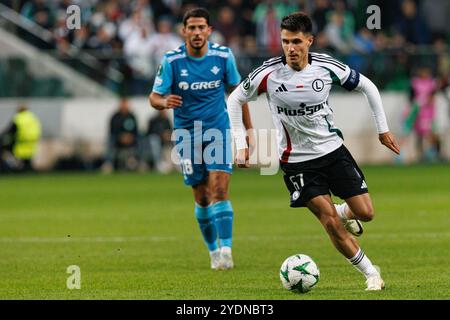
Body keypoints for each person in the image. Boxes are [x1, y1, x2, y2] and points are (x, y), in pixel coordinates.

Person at [227, 12, 400, 290]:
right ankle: (371, 274)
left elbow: (367, 85)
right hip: (297, 163)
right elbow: (235, 99)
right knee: (328, 221)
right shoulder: (269, 73)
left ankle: (344, 212)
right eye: (285, 42)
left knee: (366, 213)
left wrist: (383, 129)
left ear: (310, 41)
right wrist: (241, 144)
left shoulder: (325, 66)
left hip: (333, 152)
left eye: (296, 41)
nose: (290, 48)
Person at [149, 8, 253, 270]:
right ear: (184, 31)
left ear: (209, 30)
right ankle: (213, 251)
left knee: (219, 190)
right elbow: (153, 97)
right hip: (186, 134)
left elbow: (238, 95)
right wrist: (163, 102)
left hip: (218, 129)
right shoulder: (172, 61)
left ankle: (227, 250)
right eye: (191, 28)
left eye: (201, 28)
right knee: (202, 197)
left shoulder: (223, 56)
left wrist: (247, 133)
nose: (196, 33)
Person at [102, 97, 139, 173]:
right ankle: (108, 164)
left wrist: (130, 137)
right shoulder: (115, 116)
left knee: (141, 139)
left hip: (131, 140)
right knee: (110, 140)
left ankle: (140, 162)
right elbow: (113, 130)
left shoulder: (132, 116)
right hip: (117, 141)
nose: (124, 106)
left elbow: (135, 130)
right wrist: (121, 137)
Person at [0, 105, 41, 172]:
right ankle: (28, 171)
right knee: (27, 162)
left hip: (20, 142)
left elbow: (10, 130)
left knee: (5, 151)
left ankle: (10, 168)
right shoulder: (33, 117)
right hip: (32, 143)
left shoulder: (18, 118)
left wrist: (2, 135)